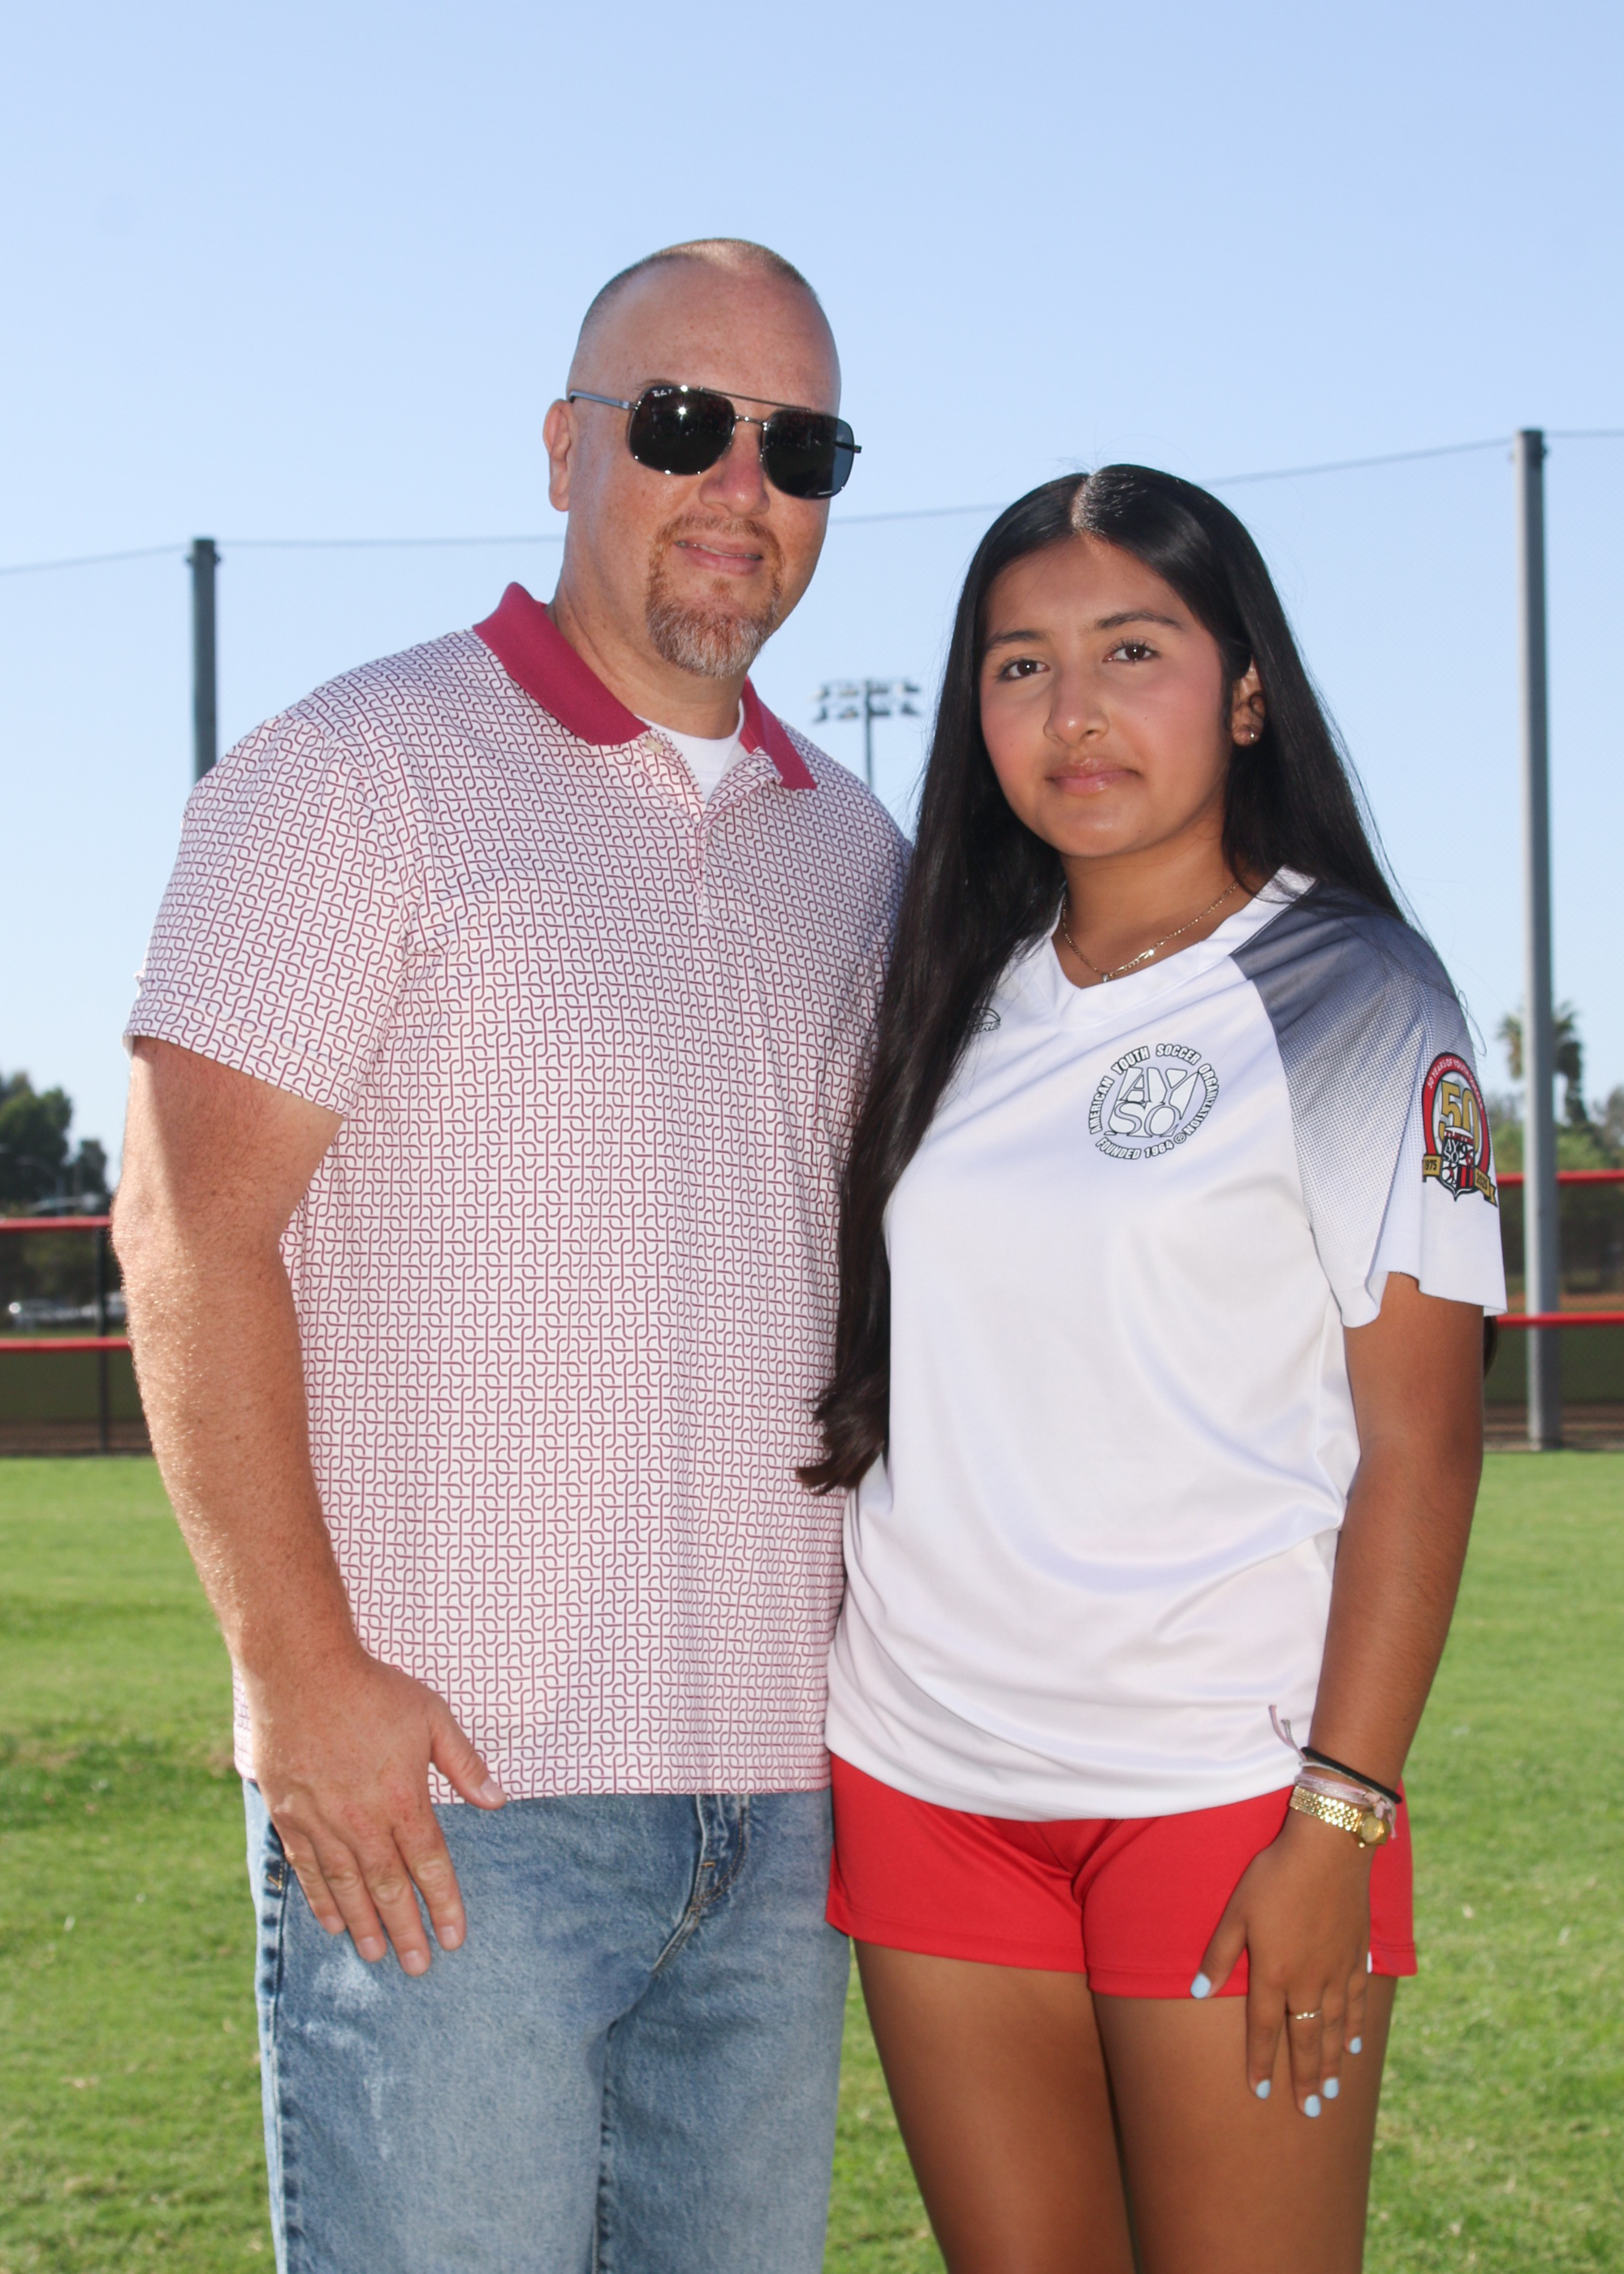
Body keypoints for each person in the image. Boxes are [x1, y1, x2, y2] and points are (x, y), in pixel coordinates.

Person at [114, 238, 905, 2274]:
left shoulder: (863, 853)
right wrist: (297, 1675)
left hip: (784, 1820)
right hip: (453, 1807)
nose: (740, 482)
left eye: (800, 445)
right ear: (566, 450)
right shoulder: (353, 768)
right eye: (684, 421)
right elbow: (187, 1225)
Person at [804, 467, 1505, 2274]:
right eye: (1019, 665)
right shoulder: (942, 987)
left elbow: (1422, 1447)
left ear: (1245, 690)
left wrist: (1338, 1819)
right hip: (926, 1775)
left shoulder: (1358, 996)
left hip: (1226, 1789)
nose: (1075, 711)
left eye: (1133, 650)